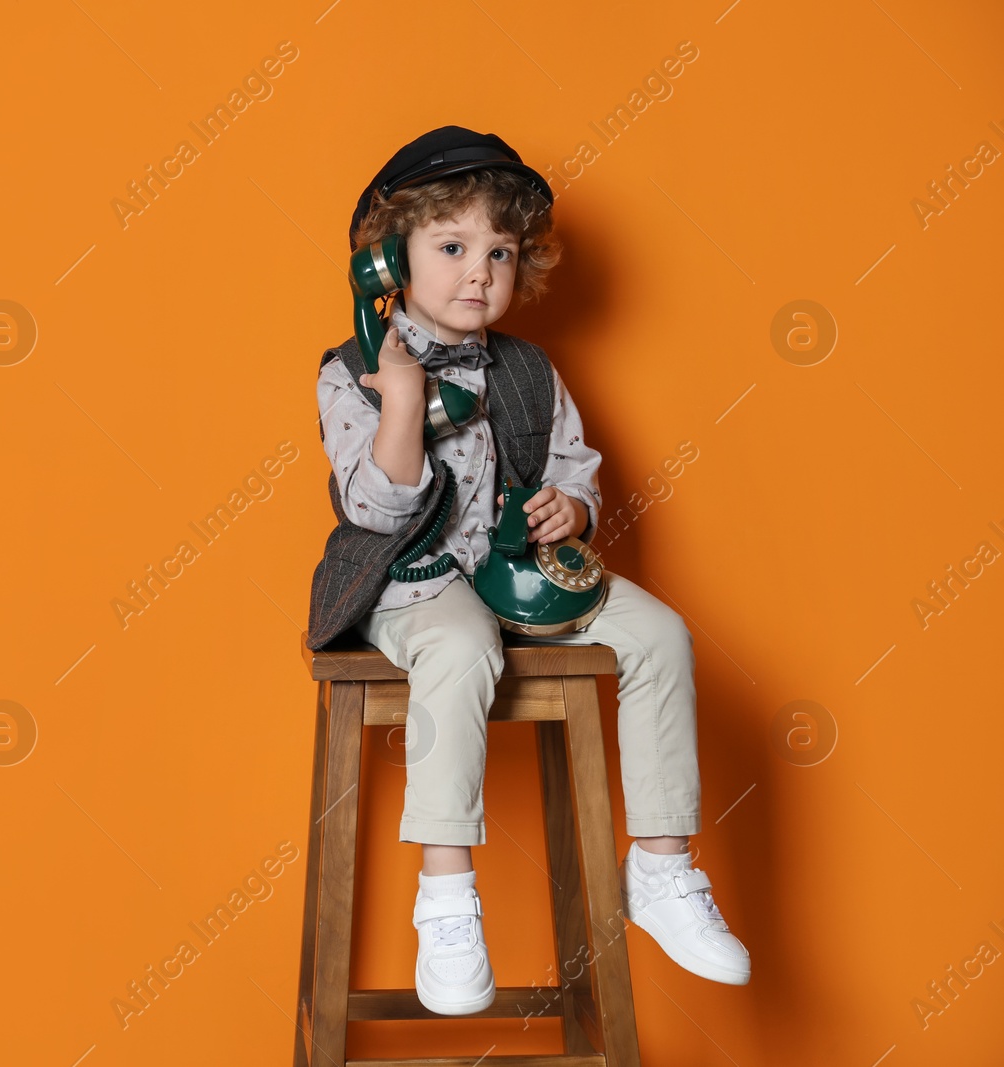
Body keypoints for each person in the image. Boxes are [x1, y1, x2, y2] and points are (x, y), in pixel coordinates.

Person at [307, 126, 751, 1016]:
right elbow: (376, 510)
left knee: (660, 633)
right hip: (415, 585)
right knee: (463, 647)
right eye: (452, 247)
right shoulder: (351, 370)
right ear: (386, 265)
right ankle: (446, 898)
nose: (479, 272)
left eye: (498, 252)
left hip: (522, 576)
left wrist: (572, 510)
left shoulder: (528, 370)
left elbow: (573, 465)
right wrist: (401, 398)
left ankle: (662, 868)